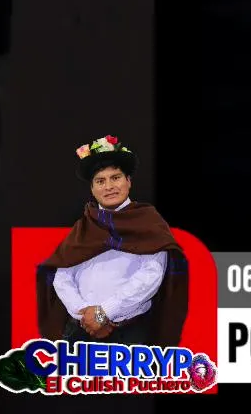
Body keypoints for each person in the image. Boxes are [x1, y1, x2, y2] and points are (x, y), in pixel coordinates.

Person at [34, 136, 188, 347]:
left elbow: (150, 277)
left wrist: (102, 313)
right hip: (80, 329)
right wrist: (86, 315)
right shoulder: (83, 227)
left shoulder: (148, 223)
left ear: (128, 181)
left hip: (130, 334)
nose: (109, 187)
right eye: (100, 181)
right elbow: (62, 276)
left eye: (115, 178)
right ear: (92, 188)